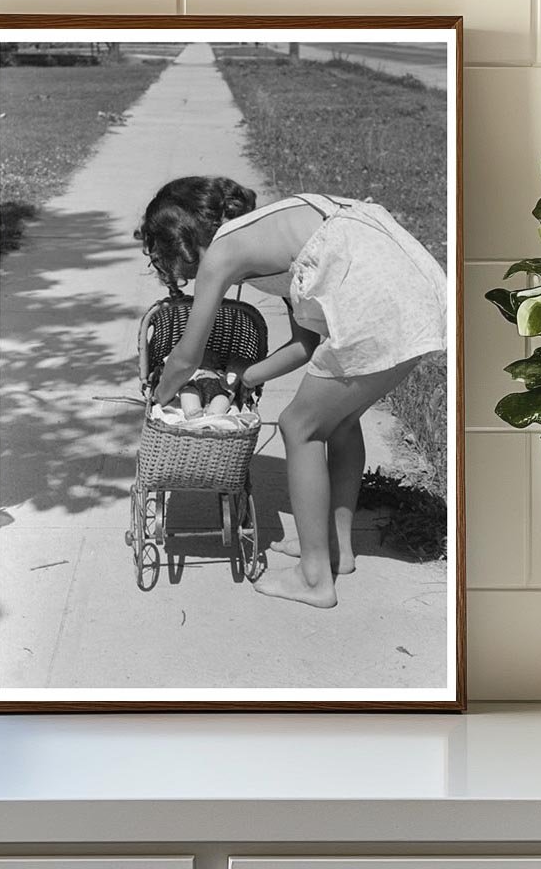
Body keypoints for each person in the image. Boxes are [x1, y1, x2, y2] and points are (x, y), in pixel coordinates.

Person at [135, 175, 446, 608]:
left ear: (179, 241)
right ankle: (337, 547)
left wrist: (158, 395)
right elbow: (306, 344)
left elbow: (186, 357)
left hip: (373, 296)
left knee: (297, 425)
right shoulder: (268, 234)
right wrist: (247, 376)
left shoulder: (221, 251)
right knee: (339, 420)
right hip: (409, 287)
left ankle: (314, 578)